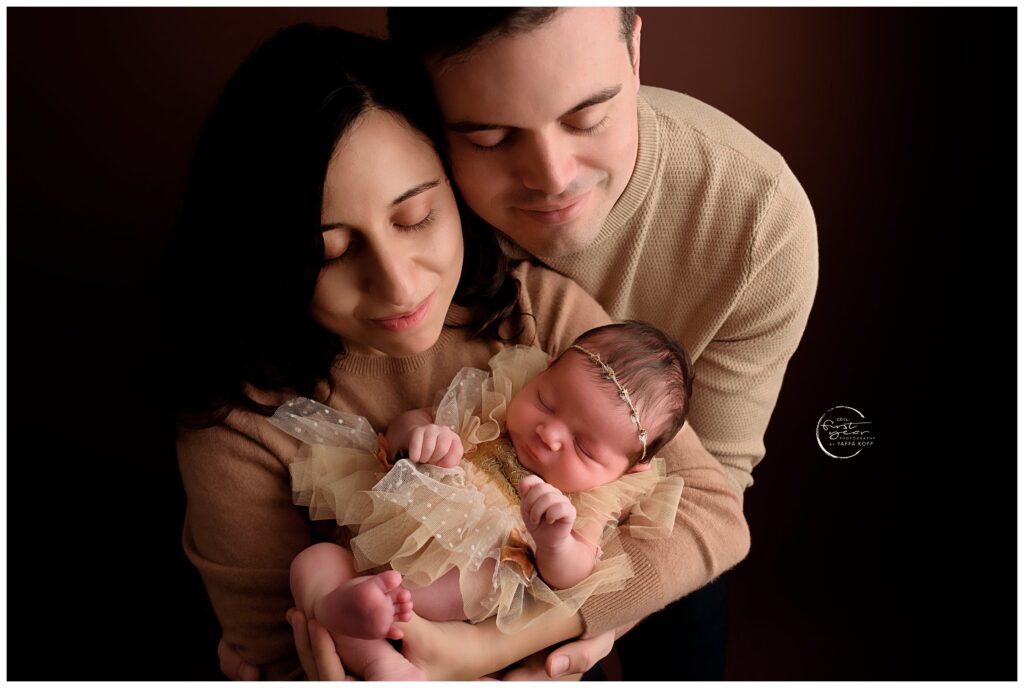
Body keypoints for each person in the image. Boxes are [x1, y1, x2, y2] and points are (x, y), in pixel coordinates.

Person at [161, 23, 749, 681]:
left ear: (455, 179)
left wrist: (494, 650)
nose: (399, 284)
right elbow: (271, 654)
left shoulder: (537, 311)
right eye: (332, 252)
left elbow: (714, 513)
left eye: (416, 219)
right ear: (269, 262)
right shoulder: (239, 425)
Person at [386, 7, 819, 679]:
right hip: (449, 483)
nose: (553, 178)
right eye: (494, 139)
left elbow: (712, 491)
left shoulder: (758, 221)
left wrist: (579, 623)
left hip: (616, 514)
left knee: (692, 600)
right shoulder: (405, 204)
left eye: (589, 119)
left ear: (636, 50)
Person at [278, 321, 692, 680]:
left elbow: (576, 571)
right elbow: (408, 425)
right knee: (311, 563)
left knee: (419, 592)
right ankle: (370, 646)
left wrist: (555, 542)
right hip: (374, 550)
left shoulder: (591, 498)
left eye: (584, 448)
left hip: (461, 587)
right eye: (546, 401)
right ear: (545, 369)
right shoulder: (491, 401)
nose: (550, 434)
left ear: (628, 470)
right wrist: (420, 435)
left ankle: (372, 631)